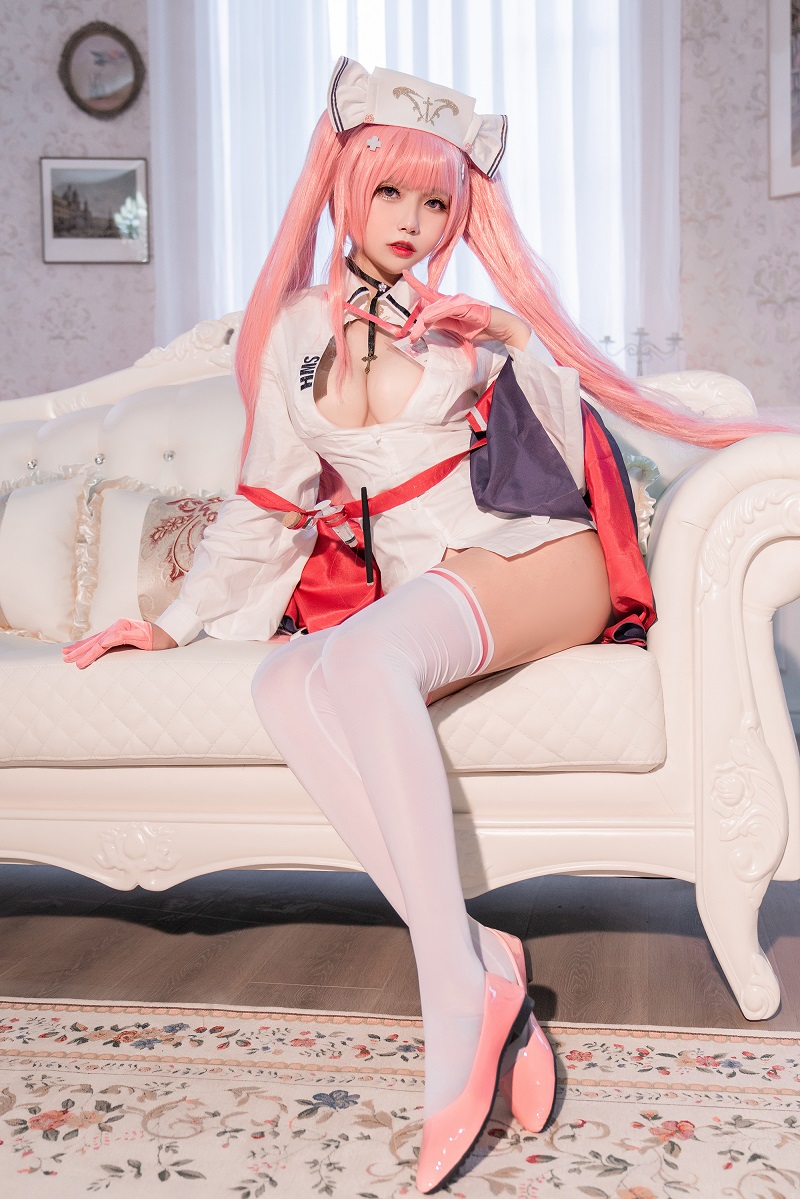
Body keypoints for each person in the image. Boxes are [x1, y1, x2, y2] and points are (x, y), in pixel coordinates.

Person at [62, 57, 792, 1194]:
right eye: (390, 192)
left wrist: (508, 329)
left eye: (436, 201)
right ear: (344, 191)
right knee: (279, 681)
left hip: (532, 556)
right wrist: (175, 620)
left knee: (358, 656)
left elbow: (572, 440)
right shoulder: (292, 333)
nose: (412, 221)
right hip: (434, 581)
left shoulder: (464, 327)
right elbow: (268, 505)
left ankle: (450, 988)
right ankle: (478, 960)